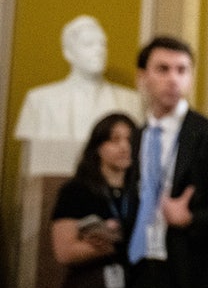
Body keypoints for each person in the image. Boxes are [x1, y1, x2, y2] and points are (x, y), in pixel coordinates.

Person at [127, 35, 208, 288]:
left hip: (193, 277)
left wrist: (191, 219)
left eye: (182, 70)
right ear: (142, 77)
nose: (173, 79)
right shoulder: (135, 137)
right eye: (163, 69)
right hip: (140, 271)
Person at [15, 15, 142, 174]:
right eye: (89, 44)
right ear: (68, 52)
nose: (99, 50)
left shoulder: (131, 101)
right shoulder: (40, 100)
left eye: (102, 44)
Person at [50, 112, 139, 288]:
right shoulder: (76, 190)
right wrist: (118, 244)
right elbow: (64, 252)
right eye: (115, 140)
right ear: (98, 147)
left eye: (130, 140)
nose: (125, 147)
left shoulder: (142, 192)